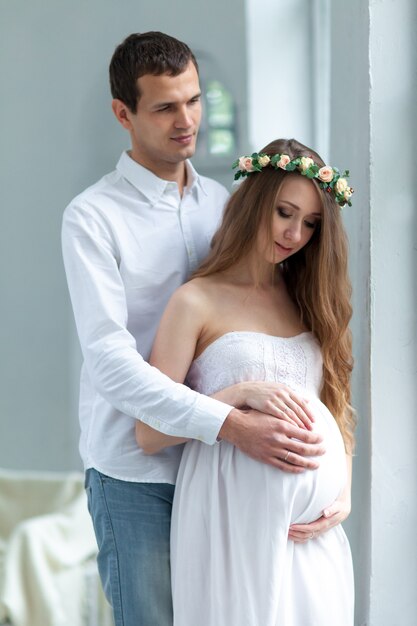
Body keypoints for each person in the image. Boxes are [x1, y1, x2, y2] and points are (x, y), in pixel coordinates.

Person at [62, 30, 339, 626]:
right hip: (137, 472)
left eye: (194, 100)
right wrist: (230, 420)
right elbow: (110, 359)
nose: (186, 120)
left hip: (221, 480)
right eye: (164, 107)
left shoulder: (223, 204)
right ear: (123, 114)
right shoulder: (92, 218)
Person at [136, 137, 355, 625]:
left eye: (311, 223)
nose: (295, 233)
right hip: (228, 521)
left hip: (309, 537)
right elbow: (149, 433)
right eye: (284, 212)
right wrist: (235, 397)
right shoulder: (195, 301)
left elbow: (336, 409)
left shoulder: (309, 300)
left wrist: (342, 494)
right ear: (256, 203)